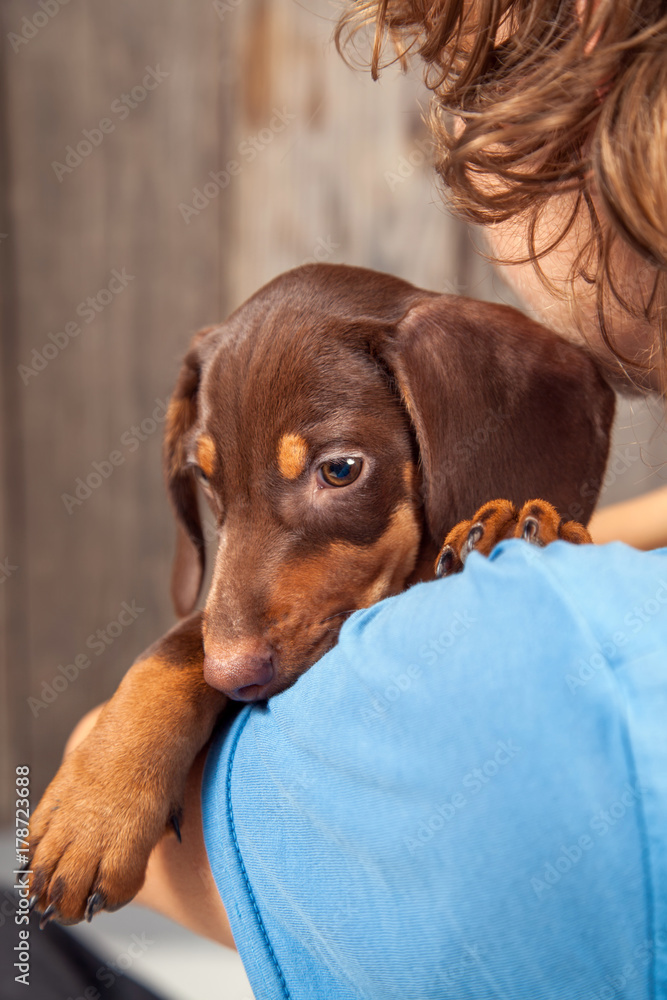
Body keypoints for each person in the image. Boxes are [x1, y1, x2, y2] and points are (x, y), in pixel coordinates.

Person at [66, 3, 667, 997]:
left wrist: (158, 698)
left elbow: (119, 812)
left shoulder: (529, 668)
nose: (473, 184)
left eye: (477, 98)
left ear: (590, 83)